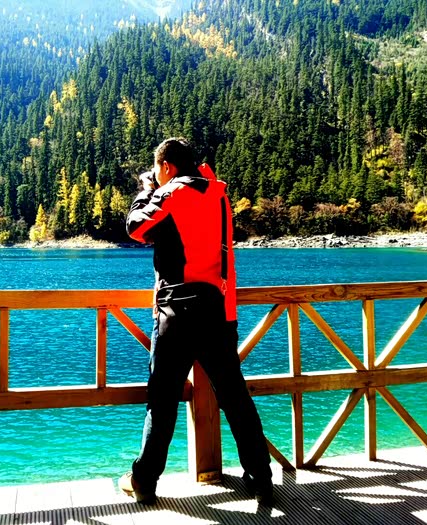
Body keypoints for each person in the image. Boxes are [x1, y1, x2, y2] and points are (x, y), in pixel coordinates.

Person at [119, 137, 273, 506]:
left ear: (166, 166)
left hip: (176, 311)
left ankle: (144, 480)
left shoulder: (172, 191)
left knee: (163, 399)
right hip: (218, 310)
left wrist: (146, 190)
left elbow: (135, 227)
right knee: (234, 397)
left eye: (157, 170)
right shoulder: (218, 195)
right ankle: (261, 476)